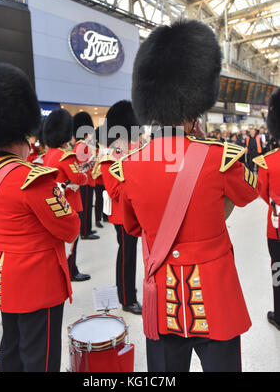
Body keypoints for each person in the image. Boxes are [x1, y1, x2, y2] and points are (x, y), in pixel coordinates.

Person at [109, 19, 259, 372]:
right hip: (216, 299)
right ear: (195, 105)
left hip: (162, 301)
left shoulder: (126, 167)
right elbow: (248, 192)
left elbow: (130, 227)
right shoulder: (220, 157)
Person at [0, 62, 80, 372]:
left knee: (12, 351)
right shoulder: (32, 178)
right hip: (38, 282)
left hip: (4, 278)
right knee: (41, 359)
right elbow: (70, 228)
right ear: (21, 136)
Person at [98, 101, 142, 315]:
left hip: (135, 210)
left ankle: (126, 291)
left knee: (128, 253)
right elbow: (115, 190)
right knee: (127, 254)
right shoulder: (110, 153)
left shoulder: (131, 147)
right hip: (122, 213)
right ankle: (127, 298)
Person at [42, 109, 90, 282]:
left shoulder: (48, 154)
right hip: (70, 202)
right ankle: (71, 271)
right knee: (72, 242)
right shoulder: (65, 156)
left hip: (54, 202)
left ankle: (70, 268)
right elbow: (78, 177)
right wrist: (84, 176)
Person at [253, 89, 280, 330]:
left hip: (277, 229)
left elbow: (263, 193)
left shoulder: (268, 161)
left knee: (278, 271)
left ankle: (279, 314)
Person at [73, 112, 100, 241]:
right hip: (86, 181)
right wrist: (93, 161)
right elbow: (82, 165)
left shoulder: (81, 145)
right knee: (86, 207)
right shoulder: (82, 145)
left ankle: (87, 228)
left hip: (88, 180)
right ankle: (84, 231)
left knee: (87, 207)